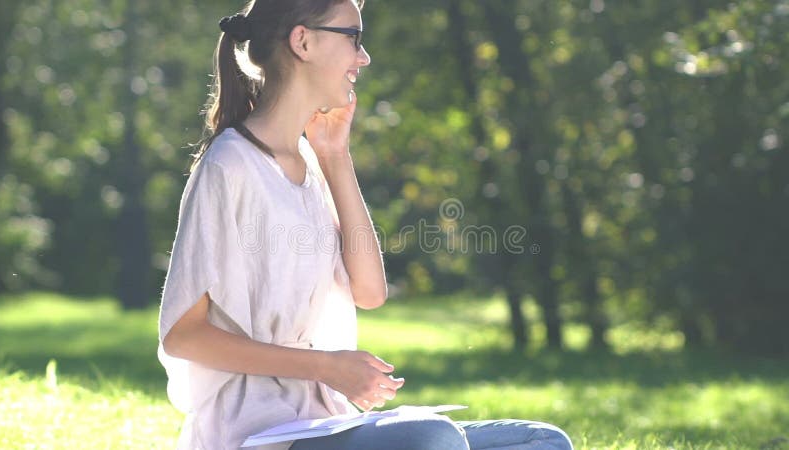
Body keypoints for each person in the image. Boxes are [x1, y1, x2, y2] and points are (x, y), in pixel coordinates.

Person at [157, 0, 574, 449]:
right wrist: (327, 368)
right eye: (353, 38)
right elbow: (184, 335)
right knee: (432, 438)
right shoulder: (229, 166)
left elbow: (370, 292)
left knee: (541, 441)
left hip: (323, 422)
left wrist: (336, 157)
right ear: (303, 41)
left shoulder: (313, 164)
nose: (364, 56)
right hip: (256, 433)